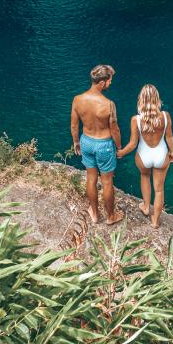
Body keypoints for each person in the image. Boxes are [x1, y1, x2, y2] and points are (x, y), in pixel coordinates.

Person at [71, 64, 124, 225]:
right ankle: (110, 216)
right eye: (109, 81)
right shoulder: (109, 104)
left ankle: (94, 213)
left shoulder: (78, 99)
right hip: (104, 145)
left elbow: (74, 125)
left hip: (86, 141)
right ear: (102, 82)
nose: (110, 84)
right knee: (107, 182)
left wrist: (76, 142)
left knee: (91, 178)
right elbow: (114, 129)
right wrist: (119, 148)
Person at [117, 84, 173, 228]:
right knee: (159, 189)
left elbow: (132, 144)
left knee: (144, 177)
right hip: (161, 155)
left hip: (143, 156)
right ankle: (155, 221)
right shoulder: (165, 116)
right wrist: (172, 152)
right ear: (157, 99)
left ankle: (146, 207)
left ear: (141, 100)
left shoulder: (135, 119)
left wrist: (121, 153)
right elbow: (169, 137)